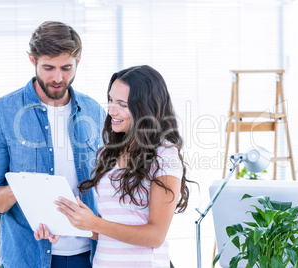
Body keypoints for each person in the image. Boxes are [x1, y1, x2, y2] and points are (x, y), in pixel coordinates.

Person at [0, 21, 105, 268]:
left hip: (92, 255)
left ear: (78, 60)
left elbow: (110, 186)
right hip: (29, 257)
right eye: (48, 68)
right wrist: (22, 189)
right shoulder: (1, 114)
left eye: (66, 67)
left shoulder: (94, 111)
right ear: (32, 60)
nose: (58, 77)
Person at [54, 65, 194, 267]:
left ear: (145, 108)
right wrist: (69, 229)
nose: (111, 110)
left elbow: (155, 235)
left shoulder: (164, 156)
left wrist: (95, 223)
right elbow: (107, 228)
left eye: (121, 104)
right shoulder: (107, 153)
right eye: (110, 100)